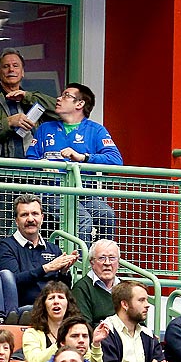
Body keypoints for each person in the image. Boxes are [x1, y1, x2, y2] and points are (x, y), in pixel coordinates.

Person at [27, 83, 121, 244]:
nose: (58, 98)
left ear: (80, 104)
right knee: (82, 220)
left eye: (66, 96)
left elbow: (115, 161)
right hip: (52, 194)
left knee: (107, 215)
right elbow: (28, 161)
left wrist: (83, 157)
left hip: (85, 194)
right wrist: (41, 164)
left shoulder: (96, 130)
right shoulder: (45, 128)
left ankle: (100, 260)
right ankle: (79, 267)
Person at [0, 49, 56, 159]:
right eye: (6, 66)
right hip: (4, 171)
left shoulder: (32, 99)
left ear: (22, 72)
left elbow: (63, 112)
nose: (11, 69)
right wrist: (9, 122)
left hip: (35, 168)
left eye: (15, 66)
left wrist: (28, 97)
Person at [97, 280, 165, 362]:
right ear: (125, 304)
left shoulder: (147, 334)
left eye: (146, 300)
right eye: (141, 300)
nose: (147, 305)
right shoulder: (106, 331)